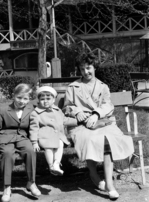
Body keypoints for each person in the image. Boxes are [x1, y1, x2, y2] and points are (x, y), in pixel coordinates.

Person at [63, 52, 134, 200]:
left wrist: (96, 114)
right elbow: (67, 107)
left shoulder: (103, 86)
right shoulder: (73, 87)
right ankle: (93, 173)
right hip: (81, 125)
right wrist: (76, 112)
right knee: (90, 139)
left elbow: (108, 104)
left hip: (102, 122)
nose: (85, 72)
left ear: (94, 67)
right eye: (82, 69)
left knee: (107, 140)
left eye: (88, 68)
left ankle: (109, 184)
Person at [0, 83, 41, 202]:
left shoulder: (31, 109)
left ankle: (31, 182)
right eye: (19, 97)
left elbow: (43, 104)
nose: (21, 101)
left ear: (29, 99)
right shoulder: (3, 110)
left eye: (25, 98)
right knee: (7, 154)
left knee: (30, 150)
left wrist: (35, 141)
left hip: (23, 137)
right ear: (13, 96)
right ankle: (7, 187)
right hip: (6, 138)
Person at [29, 86, 71, 176]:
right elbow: (33, 128)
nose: (45, 101)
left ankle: (56, 163)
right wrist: (34, 142)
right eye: (42, 99)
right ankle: (51, 166)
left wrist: (78, 121)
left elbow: (64, 120)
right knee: (48, 147)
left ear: (53, 100)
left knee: (60, 143)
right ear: (39, 100)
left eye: (48, 98)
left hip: (58, 135)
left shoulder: (57, 110)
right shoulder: (35, 113)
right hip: (44, 136)